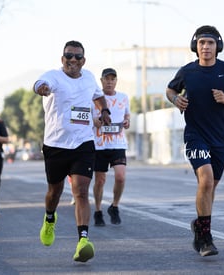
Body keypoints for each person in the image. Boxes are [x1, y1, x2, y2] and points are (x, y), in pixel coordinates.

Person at [166, 25, 224, 257]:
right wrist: (176, 100)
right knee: (205, 180)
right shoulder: (187, 72)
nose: (206, 47)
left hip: (221, 138)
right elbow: (170, 90)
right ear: (196, 46)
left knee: (211, 185)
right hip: (195, 136)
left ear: (218, 46)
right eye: (202, 42)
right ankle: (205, 238)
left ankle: (199, 224)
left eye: (210, 43)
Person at [33, 40, 111, 263]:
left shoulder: (88, 77)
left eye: (77, 57)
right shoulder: (53, 76)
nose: (72, 60)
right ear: (62, 58)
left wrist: (104, 109)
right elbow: (39, 83)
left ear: (83, 61)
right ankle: (49, 219)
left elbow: (97, 94)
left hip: (83, 144)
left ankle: (83, 241)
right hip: (55, 145)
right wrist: (42, 88)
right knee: (54, 192)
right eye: (68, 56)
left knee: (80, 191)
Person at [92, 68, 130, 226]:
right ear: (101, 81)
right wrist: (96, 122)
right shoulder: (95, 98)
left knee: (120, 177)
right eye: (106, 79)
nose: (109, 82)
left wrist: (127, 121)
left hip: (118, 143)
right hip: (100, 145)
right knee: (100, 180)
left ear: (116, 81)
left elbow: (127, 115)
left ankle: (114, 206)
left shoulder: (123, 97)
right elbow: (90, 118)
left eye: (112, 79)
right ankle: (98, 210)